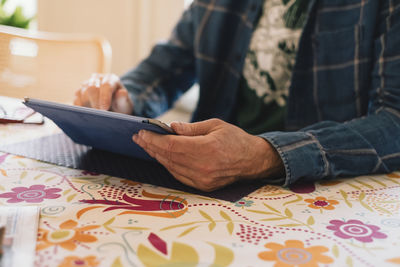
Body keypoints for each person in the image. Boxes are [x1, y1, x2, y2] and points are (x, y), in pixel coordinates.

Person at [74, 0, 400, 192]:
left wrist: (264, 154)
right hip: (207, 188)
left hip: (325, 198)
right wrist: (123, 99)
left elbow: (394, 121)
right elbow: (169, 63)